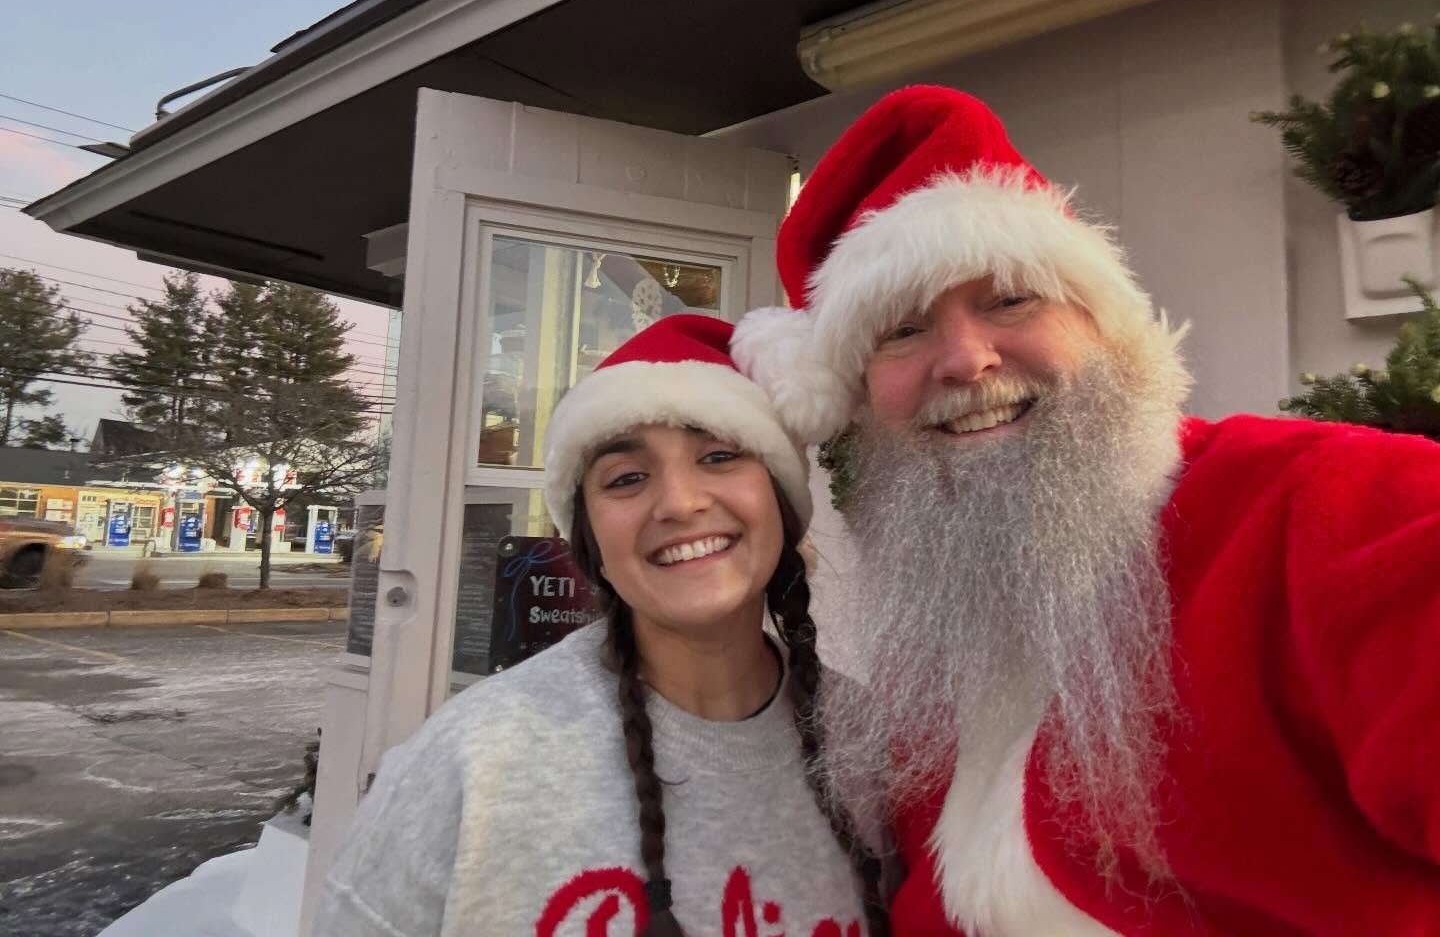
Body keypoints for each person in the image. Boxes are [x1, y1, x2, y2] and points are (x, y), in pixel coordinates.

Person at [732, 85, 1440, 935]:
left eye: (1009, 299)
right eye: (902, 332)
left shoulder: (1338, 505)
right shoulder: (940, 613)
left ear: (1104, 322)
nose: (965, 359)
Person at [316, 313, 888, 936]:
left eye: (720, 455)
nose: (680, 503)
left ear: (780, 501)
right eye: (627, 478)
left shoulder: (877, 749)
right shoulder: (469, 766)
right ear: (590, 541)